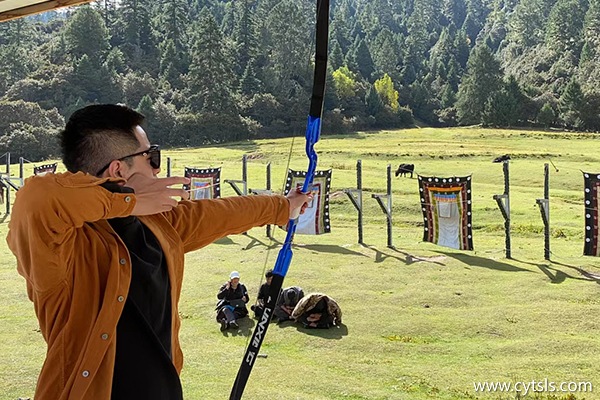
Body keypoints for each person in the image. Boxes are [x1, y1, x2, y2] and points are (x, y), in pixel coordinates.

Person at [6, 104, 311, 400]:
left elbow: (219, 213)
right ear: (117, 169)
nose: (157, 166)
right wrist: (127, 200)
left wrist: (283, 207)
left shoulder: (159, 223)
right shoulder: (62, 245)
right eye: (150, 156)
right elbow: (36, 197)